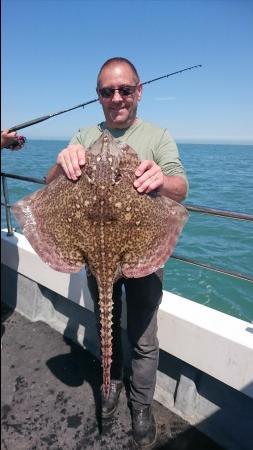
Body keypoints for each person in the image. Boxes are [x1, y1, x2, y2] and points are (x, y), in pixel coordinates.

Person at [46, 57, 188, 447]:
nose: (117, 98)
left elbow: (181, 187)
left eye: (125, 90)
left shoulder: (158, 137)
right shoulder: (83, 133)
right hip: (96, 250)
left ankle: (140, 405)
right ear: (99, 97)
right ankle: (110, 384)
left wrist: (162, 179)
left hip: (142, 252)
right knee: (105, 318)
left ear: (139, 91)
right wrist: (62, 161)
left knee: (143, 335)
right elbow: (50, 186)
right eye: (108, 91)